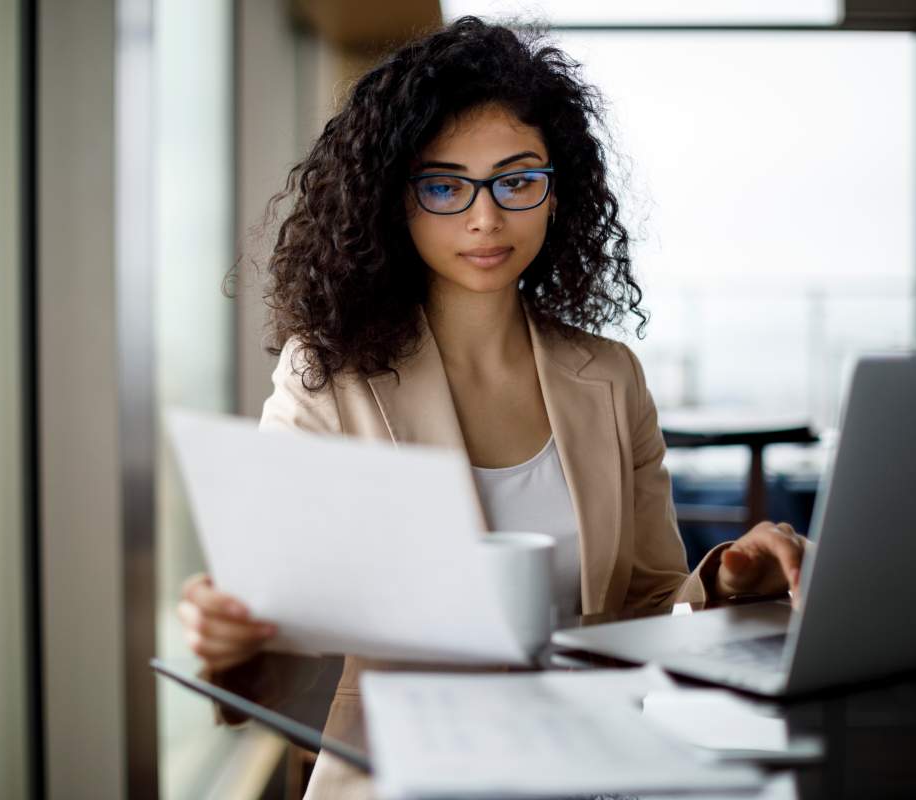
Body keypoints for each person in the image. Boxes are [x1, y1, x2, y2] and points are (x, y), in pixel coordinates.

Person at [177, 16, 807, 798]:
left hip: (590, 774)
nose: (485, 218)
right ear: (392, 199)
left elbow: (648, 603)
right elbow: (286, 635)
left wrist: (728, 580)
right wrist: (236, 638)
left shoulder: (611, 378)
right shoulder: (328, 378)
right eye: (444, 185)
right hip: (401, 783)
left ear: (555, 190)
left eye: (516, 180)